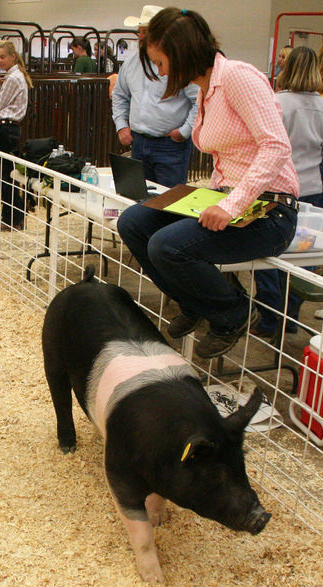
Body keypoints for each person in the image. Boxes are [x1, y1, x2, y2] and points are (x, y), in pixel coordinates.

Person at [117, 7, 299, 360]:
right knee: (134, 222)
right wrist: (207, 195)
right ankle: (195, 302)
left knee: (167, 247)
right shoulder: (205, 88)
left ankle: (233, 313)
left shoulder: (237, 77)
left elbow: (275, 145)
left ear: (180, 52)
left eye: (161, 61)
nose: (160, 70)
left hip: (270, 209)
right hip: (227, 195)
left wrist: (230, 205)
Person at [253, 46, 323, 335]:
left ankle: (269, 318)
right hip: (314, 190)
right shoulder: (321, 105)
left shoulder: (277, 102)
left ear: (288, 68)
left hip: (278, 190)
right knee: (303, 257)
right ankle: (291, 318)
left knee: (267, 254)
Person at [112, 5, 198, 188]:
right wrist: (121, 125)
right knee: (140, 197)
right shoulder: (131, 61)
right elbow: (120, 95)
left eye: (146, 32)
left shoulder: (180, 63)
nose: (141, 36)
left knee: (169, 202)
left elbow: (199, 101)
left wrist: (184, 131)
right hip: (138, 141)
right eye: (139, 31)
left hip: (169, 144)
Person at [0, 41, 32, 231]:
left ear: (13, 56)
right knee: (1, 173)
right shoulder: (14, 75)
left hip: (7, 128)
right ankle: (14, 216)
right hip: (7, 128)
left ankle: (15, 216)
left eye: (2, 57)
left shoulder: (13, 78)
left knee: (0, 174)